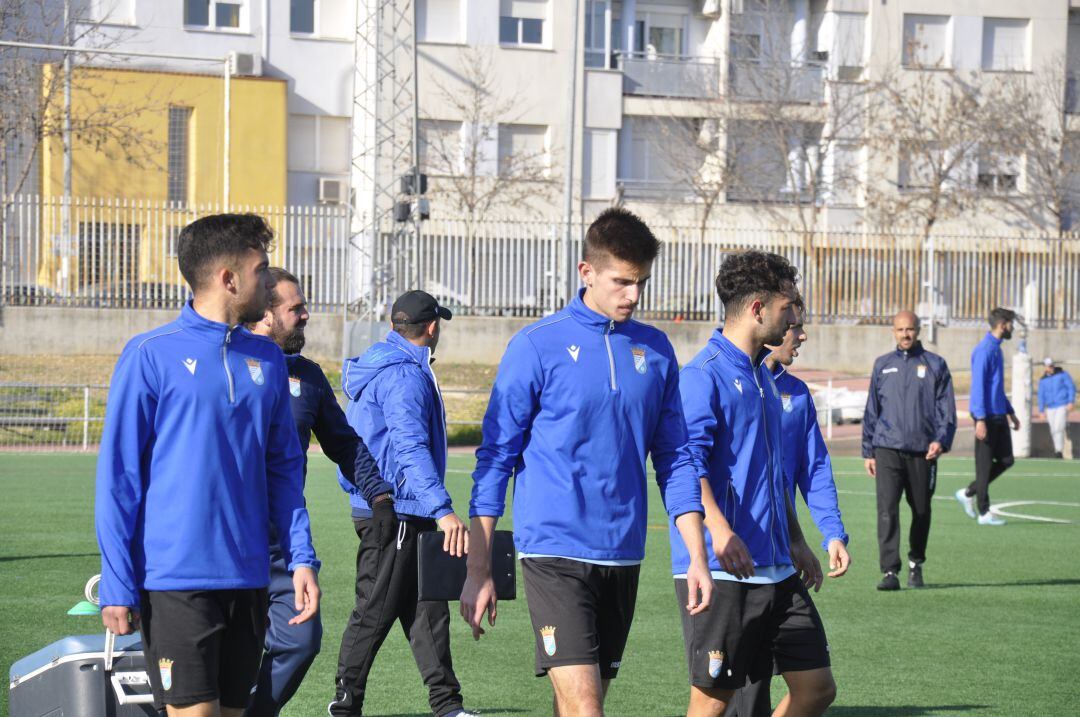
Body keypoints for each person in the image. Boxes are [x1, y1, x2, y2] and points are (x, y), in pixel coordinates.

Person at [461, 208, 713, 717]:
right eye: (622, 281)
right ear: (586, 272)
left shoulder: (657, 350)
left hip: (622, 554)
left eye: (640, 282)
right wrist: (479, 567)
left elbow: (676, 459)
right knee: (585, 708)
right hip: (553, 551)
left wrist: (697, 556)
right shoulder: (536, 346)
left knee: (576, 705)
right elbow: (494, 460)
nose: (634, 295)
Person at [95, 214, 321, 717]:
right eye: (261, 269)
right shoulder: (150, 356)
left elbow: (284, 471)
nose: (269, 280)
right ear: (229, 278)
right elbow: (119, 480)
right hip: (177, 581)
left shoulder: (265, 357)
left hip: (249, 579)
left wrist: (302, 557)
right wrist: (117, 583)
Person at [676, 250, 835, 717]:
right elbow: (687, 464)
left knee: (817, 688)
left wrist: (796, 539)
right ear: (757, 309)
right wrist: (720, 530)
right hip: (725, 570)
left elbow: (772, 472)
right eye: (787, 309)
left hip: (778, 567)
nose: (793, 323)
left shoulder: (765, 378)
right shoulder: (703, 375)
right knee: (714, 705)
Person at [246, 268, 393, 717]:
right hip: (225, 541)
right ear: (265, 312)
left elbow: (343, 443)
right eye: (296, 308)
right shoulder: (226, 361)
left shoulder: (307, 377)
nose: (307, 314)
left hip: (282, 544)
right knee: (219, 653)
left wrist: (379, 494)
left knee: (301, 640)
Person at [329, 290, 477, 717]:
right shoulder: (406, 375)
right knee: (375, 609)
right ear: (432, 327)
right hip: (393, 508)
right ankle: (345, 703)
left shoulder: (390, 364)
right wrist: (443, 510)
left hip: (401, 507)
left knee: (428, 610)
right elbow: (409, 446)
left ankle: (447, 704)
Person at [726, 299, 851, 717]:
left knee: (817, 688)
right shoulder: (727, 378)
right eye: (794, 325)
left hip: (780, 561)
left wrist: (826, 533)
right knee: (743, 699)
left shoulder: (795, 393)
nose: (800, 335)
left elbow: (812, 470)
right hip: (735, 564)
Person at [862, 310, 957, 590]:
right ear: (893, 332)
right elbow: (872, 410)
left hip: (922, 451)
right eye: (900, 329)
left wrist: (940, 439)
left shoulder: (936, 365)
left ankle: (916, 563)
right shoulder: (883, 365)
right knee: (887, 511)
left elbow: (946, 409)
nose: (906, 334)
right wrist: (868, 451)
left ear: (918, 331)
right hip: (886, 449)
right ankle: (890, 571)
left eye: (910, 329)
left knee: (922, 511)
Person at [955, 307, 1020, 526]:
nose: (1013, 327)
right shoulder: (984, 350)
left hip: (999, 415)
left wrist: (1010, 412)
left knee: (1006, 460)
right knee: (983, 468)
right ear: (1003, 324)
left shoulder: (997, 349)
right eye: (1011, 323)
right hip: (986, 418)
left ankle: (968, 492)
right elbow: (978, 388)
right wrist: (980, 419)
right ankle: (984, 513)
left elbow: (996, 387)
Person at [1038, 357, 1075, 459]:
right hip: (1050, 407)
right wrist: (1041, 410)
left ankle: (1058, 451)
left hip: (1062, 405)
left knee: (1059, 427)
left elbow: (1071, 387)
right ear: (1045, 367)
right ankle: (1057, 450)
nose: (1050, 368)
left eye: (1051, 365)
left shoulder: (1063, 375)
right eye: (1048, 366)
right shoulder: (1043, 380)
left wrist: (1071, 401)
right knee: (1053, 429)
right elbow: (1041, 395)